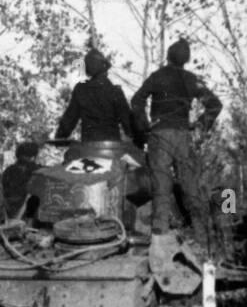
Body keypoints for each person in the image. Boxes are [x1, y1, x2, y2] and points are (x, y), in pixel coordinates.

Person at [131, 38, 222, 236]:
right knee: (190, 186)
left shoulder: (157, 77)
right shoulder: (191, 80)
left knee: (161, 187)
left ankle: (159, 234)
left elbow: (137, 101)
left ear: (168, 56)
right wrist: (200, 125)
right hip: (183, 137)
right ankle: (202, 234)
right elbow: (215, 104)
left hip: (159, 136)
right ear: (186, 59)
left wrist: (144, 126)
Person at [54, 48, 146, 148]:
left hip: (88, 146)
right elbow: (128, 124)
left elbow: (69, 118)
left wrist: (60, 137)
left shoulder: (80, 90)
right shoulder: (115, 91)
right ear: (104, 69)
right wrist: (139, 139)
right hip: (112, 147)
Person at [1, 141, 41, 219]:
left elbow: (4, 188)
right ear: (33, 156)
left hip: (8, 207)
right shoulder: (35, 170)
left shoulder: (8, 170)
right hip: (23, 209)